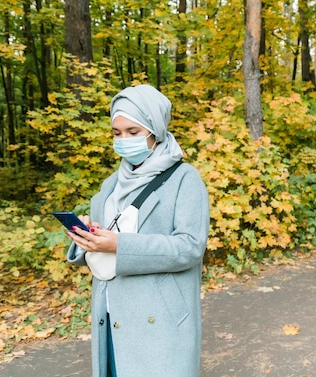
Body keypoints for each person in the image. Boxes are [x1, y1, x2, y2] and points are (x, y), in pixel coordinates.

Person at [65, 84, 210, 377]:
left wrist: (119, 245)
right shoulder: (111, 184)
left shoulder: (184, 179)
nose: (123, 140)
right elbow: (104, 241)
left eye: (133, 132)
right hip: (111, 310)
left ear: (154, 130)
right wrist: (87, 237)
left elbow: (190, 247)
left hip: (158, 317)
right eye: (117, 133)